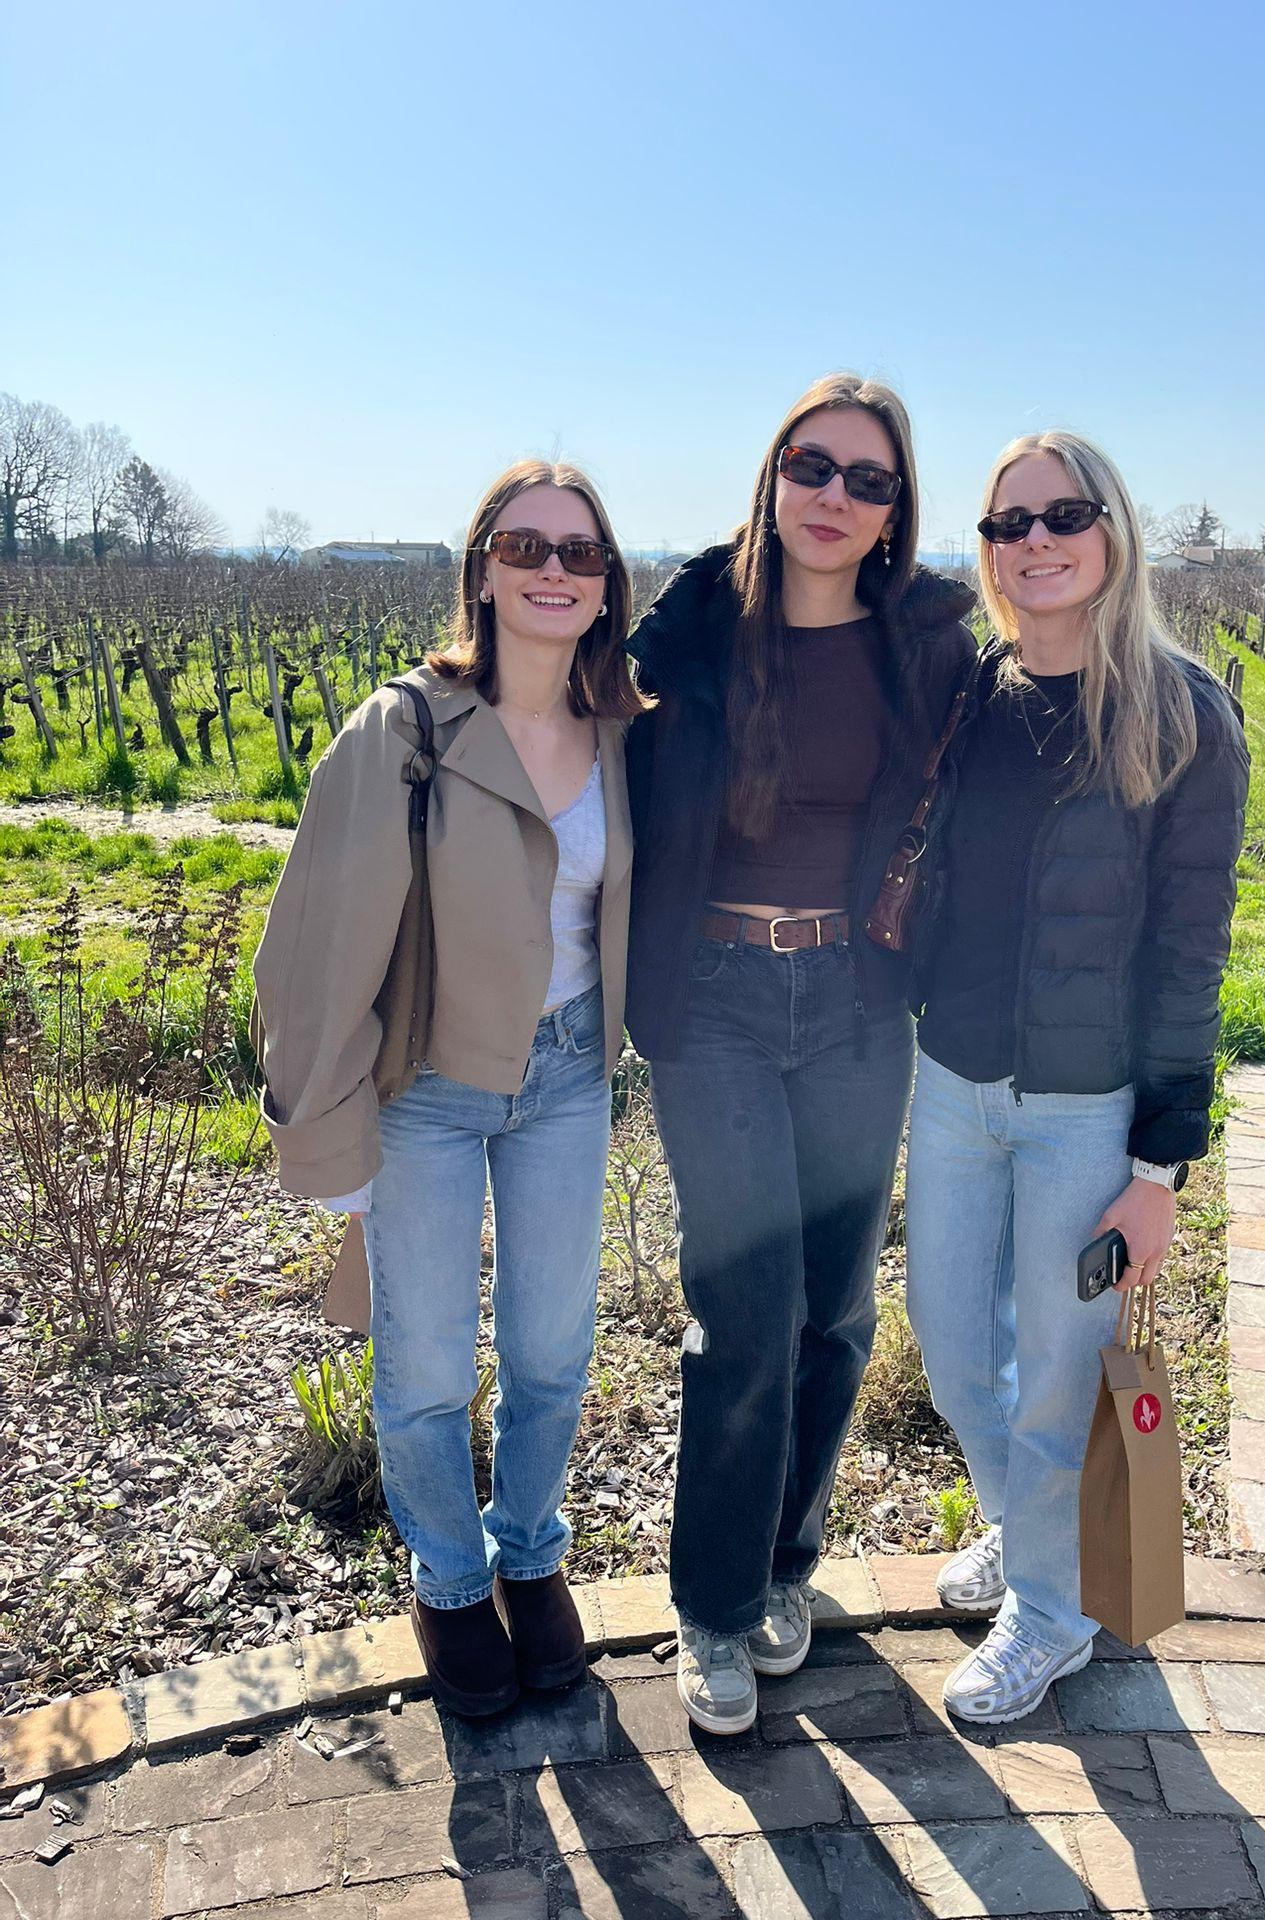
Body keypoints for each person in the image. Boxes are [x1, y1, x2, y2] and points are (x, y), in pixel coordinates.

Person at [251, 460, 643, 1718]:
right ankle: (451, 1580)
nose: (552, 571)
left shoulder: (625, 731)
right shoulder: (408, 729)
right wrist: (326, 1127)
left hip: (568, 1076)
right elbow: (317, 943)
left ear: (608, 584)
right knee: (424, 1362)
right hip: (425, 1084)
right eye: (525, 547)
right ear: (480, 568)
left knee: (551, 1348)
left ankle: (529, 1555)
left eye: (579, 552)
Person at [625, 374, 977, 1734]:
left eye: (868, 480)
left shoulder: (927, 648)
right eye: (813, 466)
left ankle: (784, 1565)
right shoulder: (692, 631)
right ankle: (713, 1605)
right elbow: (565, 722)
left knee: (835, 1310)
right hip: (714, 998)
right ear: (773, 476)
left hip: (853, 1000)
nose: (836, 496)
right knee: (747, 1312)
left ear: (896, 511)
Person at [903, 429, 1249, 1724]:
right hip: (952, 1084)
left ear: (1114, 530)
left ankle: (1051, 1616)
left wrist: (1159, 1169)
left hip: (1084, 1111)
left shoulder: (1183, 715)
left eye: (1063, 515)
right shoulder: (970, 696)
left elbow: (1191, 955)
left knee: (1058, 1370)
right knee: (951, 1349)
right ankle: (1025, 1528)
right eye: (1008, 524)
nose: (1035, 540)